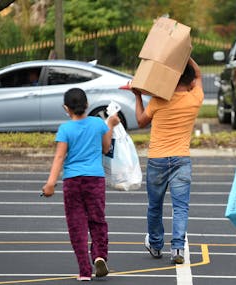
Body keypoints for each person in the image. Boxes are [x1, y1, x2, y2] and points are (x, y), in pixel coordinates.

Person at [42, 88, 120, 281]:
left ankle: (84, 270)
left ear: (66, 108)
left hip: (73, 182)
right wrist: (110, 124)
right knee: (98, 220)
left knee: (77, 225)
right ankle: (100, 255)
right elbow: (105, 147)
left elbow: (60, 156)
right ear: (87, 105)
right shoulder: (97, 124)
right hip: (95, 179)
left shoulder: (65, 130)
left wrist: (51, 183)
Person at [132, 57, 204, 264]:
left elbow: (140, 122)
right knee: (180, 207)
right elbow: (198, 74)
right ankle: (178, 249)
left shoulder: (158, 100)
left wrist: (137, 96)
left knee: (155, 205)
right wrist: (185, 55)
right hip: (181, 159)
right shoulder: (195, 98)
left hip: (157, 159)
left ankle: (155, 245)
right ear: (190, 81)